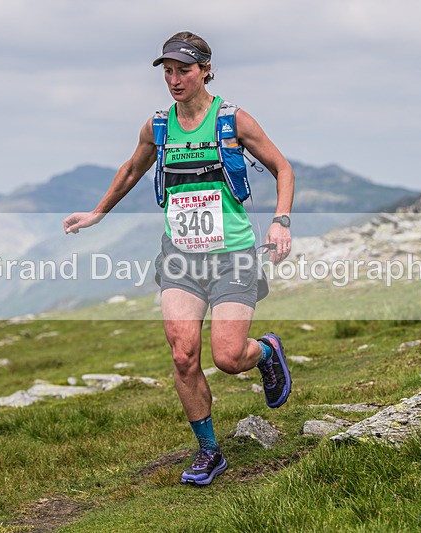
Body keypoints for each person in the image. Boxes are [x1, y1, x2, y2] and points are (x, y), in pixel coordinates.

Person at [63, 31, 294, 486]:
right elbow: (132, 169)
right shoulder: (158, 127)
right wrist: (97, 213)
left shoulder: (234, 120)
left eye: (183, 70)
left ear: (205, 70)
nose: (174, 79)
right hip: (180, 258)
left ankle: (266, 352)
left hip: (232, 256)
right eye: (167, 71)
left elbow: (282, 168)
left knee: (228, 357)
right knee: (183, 355)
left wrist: (280, 221)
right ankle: (209, 450)